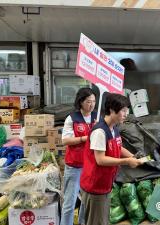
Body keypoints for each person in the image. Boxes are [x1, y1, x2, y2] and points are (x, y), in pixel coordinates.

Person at [80, 93, 143, 225]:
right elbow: (100, 160)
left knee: (103, 220)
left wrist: (133, 156)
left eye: (127, 110)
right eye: (123, 110)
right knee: (96, 222)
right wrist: (126, 162)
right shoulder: (100, 132)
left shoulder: (114, 128)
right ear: (112, 110)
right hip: (95, 185)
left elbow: (118, 147)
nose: (126, 114)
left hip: (105, 183)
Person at [61, 88, 97, 225]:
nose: (92, 105)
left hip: (90, 166)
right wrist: (84, 139)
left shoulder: (96, 117)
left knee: (86, 202)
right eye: (88, 102)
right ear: (81, 102)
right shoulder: (72, 118)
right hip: (74, 166)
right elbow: (65, 140)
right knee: (69, 203)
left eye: (94, 101)